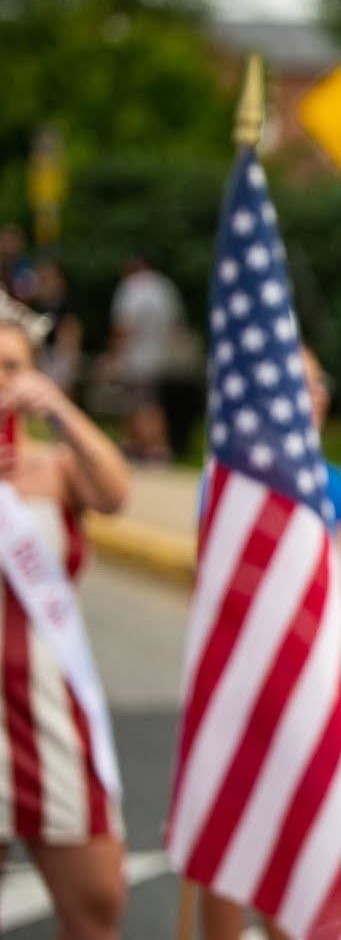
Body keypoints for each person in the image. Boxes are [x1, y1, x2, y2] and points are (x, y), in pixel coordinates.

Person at [196, 343, 341, 940]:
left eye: (319, 385)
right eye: (298, 385)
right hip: (246, 678)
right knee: (231, 834)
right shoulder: (234, 478)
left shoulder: (333, 485)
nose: (313, 397)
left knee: (299, 841)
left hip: (312, 676)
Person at [0, 298, 132, 937]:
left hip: (51, 709)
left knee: (97, 901)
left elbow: (115, 492)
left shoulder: (54, 470)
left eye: (11, 367)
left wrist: (58, 409)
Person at [107, 254, 185, 462]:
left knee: (138, 403)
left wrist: (115, 355)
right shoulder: (164, 287)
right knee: (152, 401)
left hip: (136, 357)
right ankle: (152, 447)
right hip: (161, 355)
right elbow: (175, 325)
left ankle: (147, 447)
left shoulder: (132, 287)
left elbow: (124, 326)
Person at [31, 256, 83, 396]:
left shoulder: (66, 308)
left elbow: (70, 342)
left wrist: (64, 372)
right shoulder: (37, 306)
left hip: (56, 365)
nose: (40, 282)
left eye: (45, 278)